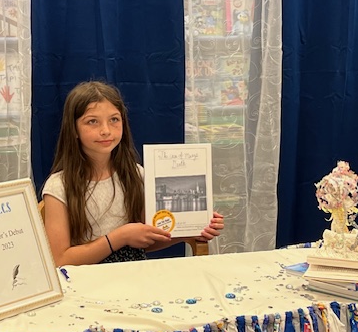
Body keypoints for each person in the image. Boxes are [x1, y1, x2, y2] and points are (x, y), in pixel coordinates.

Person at [42, 80, 224, 266]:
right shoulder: (58, 186)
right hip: (85, 282)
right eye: (92, 122)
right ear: (74, 129)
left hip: (134, 276)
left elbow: (145, 242)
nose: (106, 130)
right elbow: (59, 260)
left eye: (114, 119)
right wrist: (120, 237)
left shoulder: (136, 175)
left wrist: (192, 228)